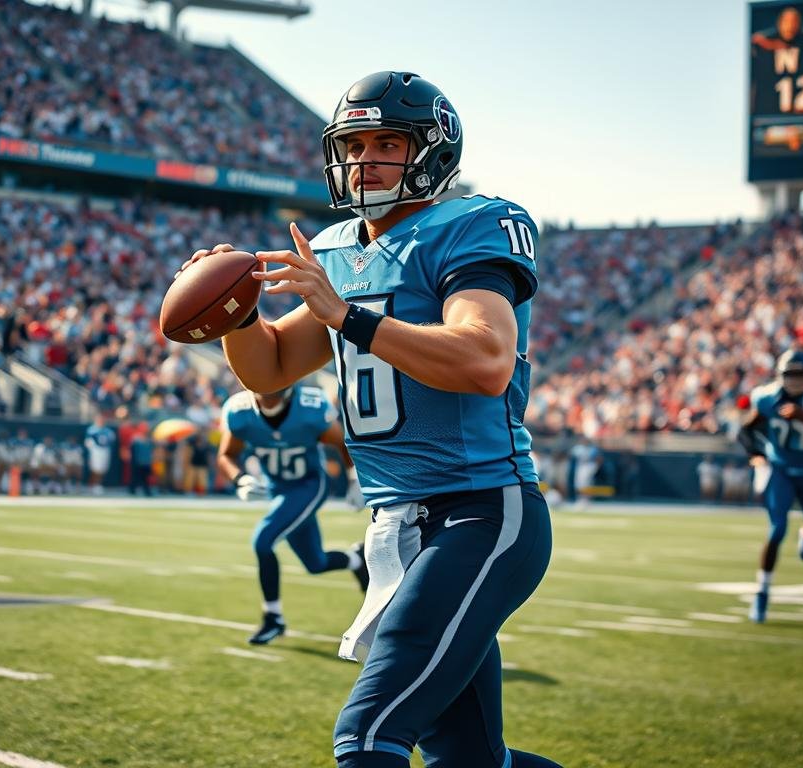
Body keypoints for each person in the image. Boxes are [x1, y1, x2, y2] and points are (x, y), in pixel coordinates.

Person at [181, 71, 559, 767]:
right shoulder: (335, 250)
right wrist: (234, 313)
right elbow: (267, 369)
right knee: (474, 762)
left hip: (481, 511)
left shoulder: (471, 225)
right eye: (354, 145)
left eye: (388, 142)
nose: (366, 161)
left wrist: (348, 317)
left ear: (434, 151)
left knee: (367, 740)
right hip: (397, 526)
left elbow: (485, 359)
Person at [217, 385, 368, 645]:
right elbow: (226, 455)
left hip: (310, 485)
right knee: (315, 563)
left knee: (263, 542)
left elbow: (341, 441)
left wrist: (354, 478)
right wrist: (240, 479)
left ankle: (273, 617)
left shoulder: (308, 407)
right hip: (279, 490)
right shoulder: (240, 410)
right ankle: (357, 559)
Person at [737, 349, 803, 623]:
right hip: (780, 469)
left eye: (799, 374)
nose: (794, 379)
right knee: (777, 529)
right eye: (789, 374)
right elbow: (744, 430)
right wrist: (755, 455)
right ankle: (762, 592)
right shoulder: (767, 397)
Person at [85, 412, 116, 495]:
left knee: (103, 469)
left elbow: (111, 440)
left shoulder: (108, 431)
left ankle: (98, 485)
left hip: (105, 451)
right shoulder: (92, 430)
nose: (101, 421)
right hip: (96, 451)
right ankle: (93, 485)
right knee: (95, 469)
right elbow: (88, 442)